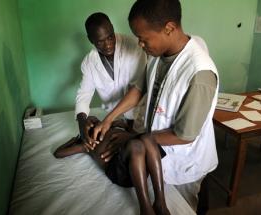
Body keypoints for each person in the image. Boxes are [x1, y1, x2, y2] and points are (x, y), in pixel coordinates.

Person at [93, 0, 219, 211]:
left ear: (168, 28)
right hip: (158, 151)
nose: (140, 44)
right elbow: (139, 88)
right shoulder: (157, 54)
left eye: (143, 38)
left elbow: (184, 135)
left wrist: (137, 139)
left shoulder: (199, 74)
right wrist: (108, 119)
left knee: (186, 206)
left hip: (185, 162)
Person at [54, 117, 170, 215]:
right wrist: (74, 140)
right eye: (90, 125)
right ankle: (145, 208)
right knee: (136, 145)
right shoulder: (89, 145)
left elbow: (138, 136)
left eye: (95, 120)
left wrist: (126, 127)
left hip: (142, 165)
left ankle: (160, 202)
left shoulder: (114, 128)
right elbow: (58, 153)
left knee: (147, 137)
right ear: (86, 133)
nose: (93, 122)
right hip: (121, 171)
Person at [76, 12, 147, 148]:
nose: (108, 45)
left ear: (113, 29)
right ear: (91, 40)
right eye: (100, 41)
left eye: (110, 37)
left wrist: (111, 120)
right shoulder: (89, 62)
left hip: (138, 113)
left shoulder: (134, 46)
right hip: (114, 117)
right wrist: (82, 123)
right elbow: (84, 94)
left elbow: (138, 89)